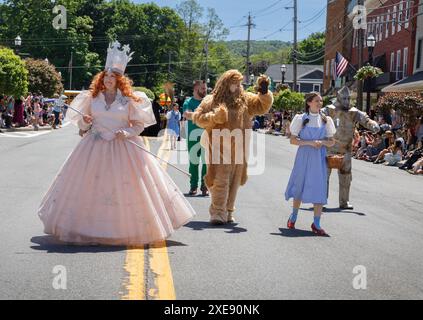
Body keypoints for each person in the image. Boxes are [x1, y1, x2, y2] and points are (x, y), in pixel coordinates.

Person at [38, 41, 195, 246]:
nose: (109, 79)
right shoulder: (91, 98)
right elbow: (82, 128)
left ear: (120, 80)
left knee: (129, 188)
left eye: (113, 76)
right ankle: (88, 228)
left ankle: (125, 229)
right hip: (93, 147)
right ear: (101, 79)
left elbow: (139, 124)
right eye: (106, 76)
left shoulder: (130, 100)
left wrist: (128, 132)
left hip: (123, 146)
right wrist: (85, 123)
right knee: (90, 187)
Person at [185, 70, 273, 225]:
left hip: (239, 145)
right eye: (234, 83)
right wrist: (214, 117)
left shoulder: (245, 99)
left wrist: (264, 92)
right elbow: (198, 118)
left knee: (234, 180)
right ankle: (218, 212)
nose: (237, 86)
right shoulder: (212, 100)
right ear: (226, 83)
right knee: (221, 179)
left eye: (239, 83)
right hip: (219, 144)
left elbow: (261, 106)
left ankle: (229, 210)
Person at [285, 92, 336, 236]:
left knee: (319, 187)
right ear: (309, 103)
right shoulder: (301, 118)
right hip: (303, 156)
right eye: (316, 101)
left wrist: (322, 142)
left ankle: (317, 223)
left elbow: (332, 141)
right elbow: (293, 140)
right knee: (300, 184)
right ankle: (294, 215)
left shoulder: (326, 120)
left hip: (318, 157)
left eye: (320, 101)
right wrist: (309, 143)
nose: (319, 103)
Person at [183, 80, 209, 196]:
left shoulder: (208, 102)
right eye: (203, 88)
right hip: (193, 137)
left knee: (206, 163)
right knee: (194, 162)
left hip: (207, 136)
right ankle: (193, 186)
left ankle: (205, 186)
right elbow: (186, 115)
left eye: (206, 88)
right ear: (195, 89)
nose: (205, 90)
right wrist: (203, 117)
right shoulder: (188, 102)